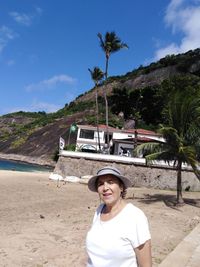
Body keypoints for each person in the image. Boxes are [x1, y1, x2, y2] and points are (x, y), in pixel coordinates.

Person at [86, 166, 152, 267]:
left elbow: (145, 265)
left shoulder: (135, 217)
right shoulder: (99, 210)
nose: (105, 188)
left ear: (121, 187)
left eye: (110, 182)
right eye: (100, 184)